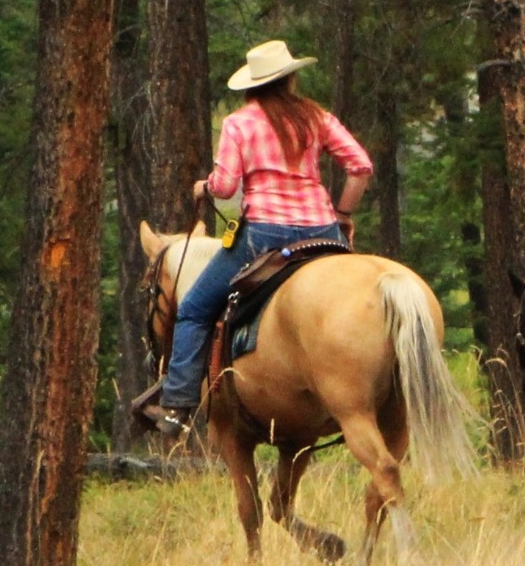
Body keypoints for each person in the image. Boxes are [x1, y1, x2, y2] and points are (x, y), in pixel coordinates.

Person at [139, 40, 373, 431]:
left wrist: (205, 188)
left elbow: (227, 186)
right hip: (322, 231)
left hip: (265, 234)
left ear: (251, 84)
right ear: (290, 78)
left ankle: (178, 404)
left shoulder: (239, 123)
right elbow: (361, 166)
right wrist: (343, 212)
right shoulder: (316, 117)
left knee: (195, 308)